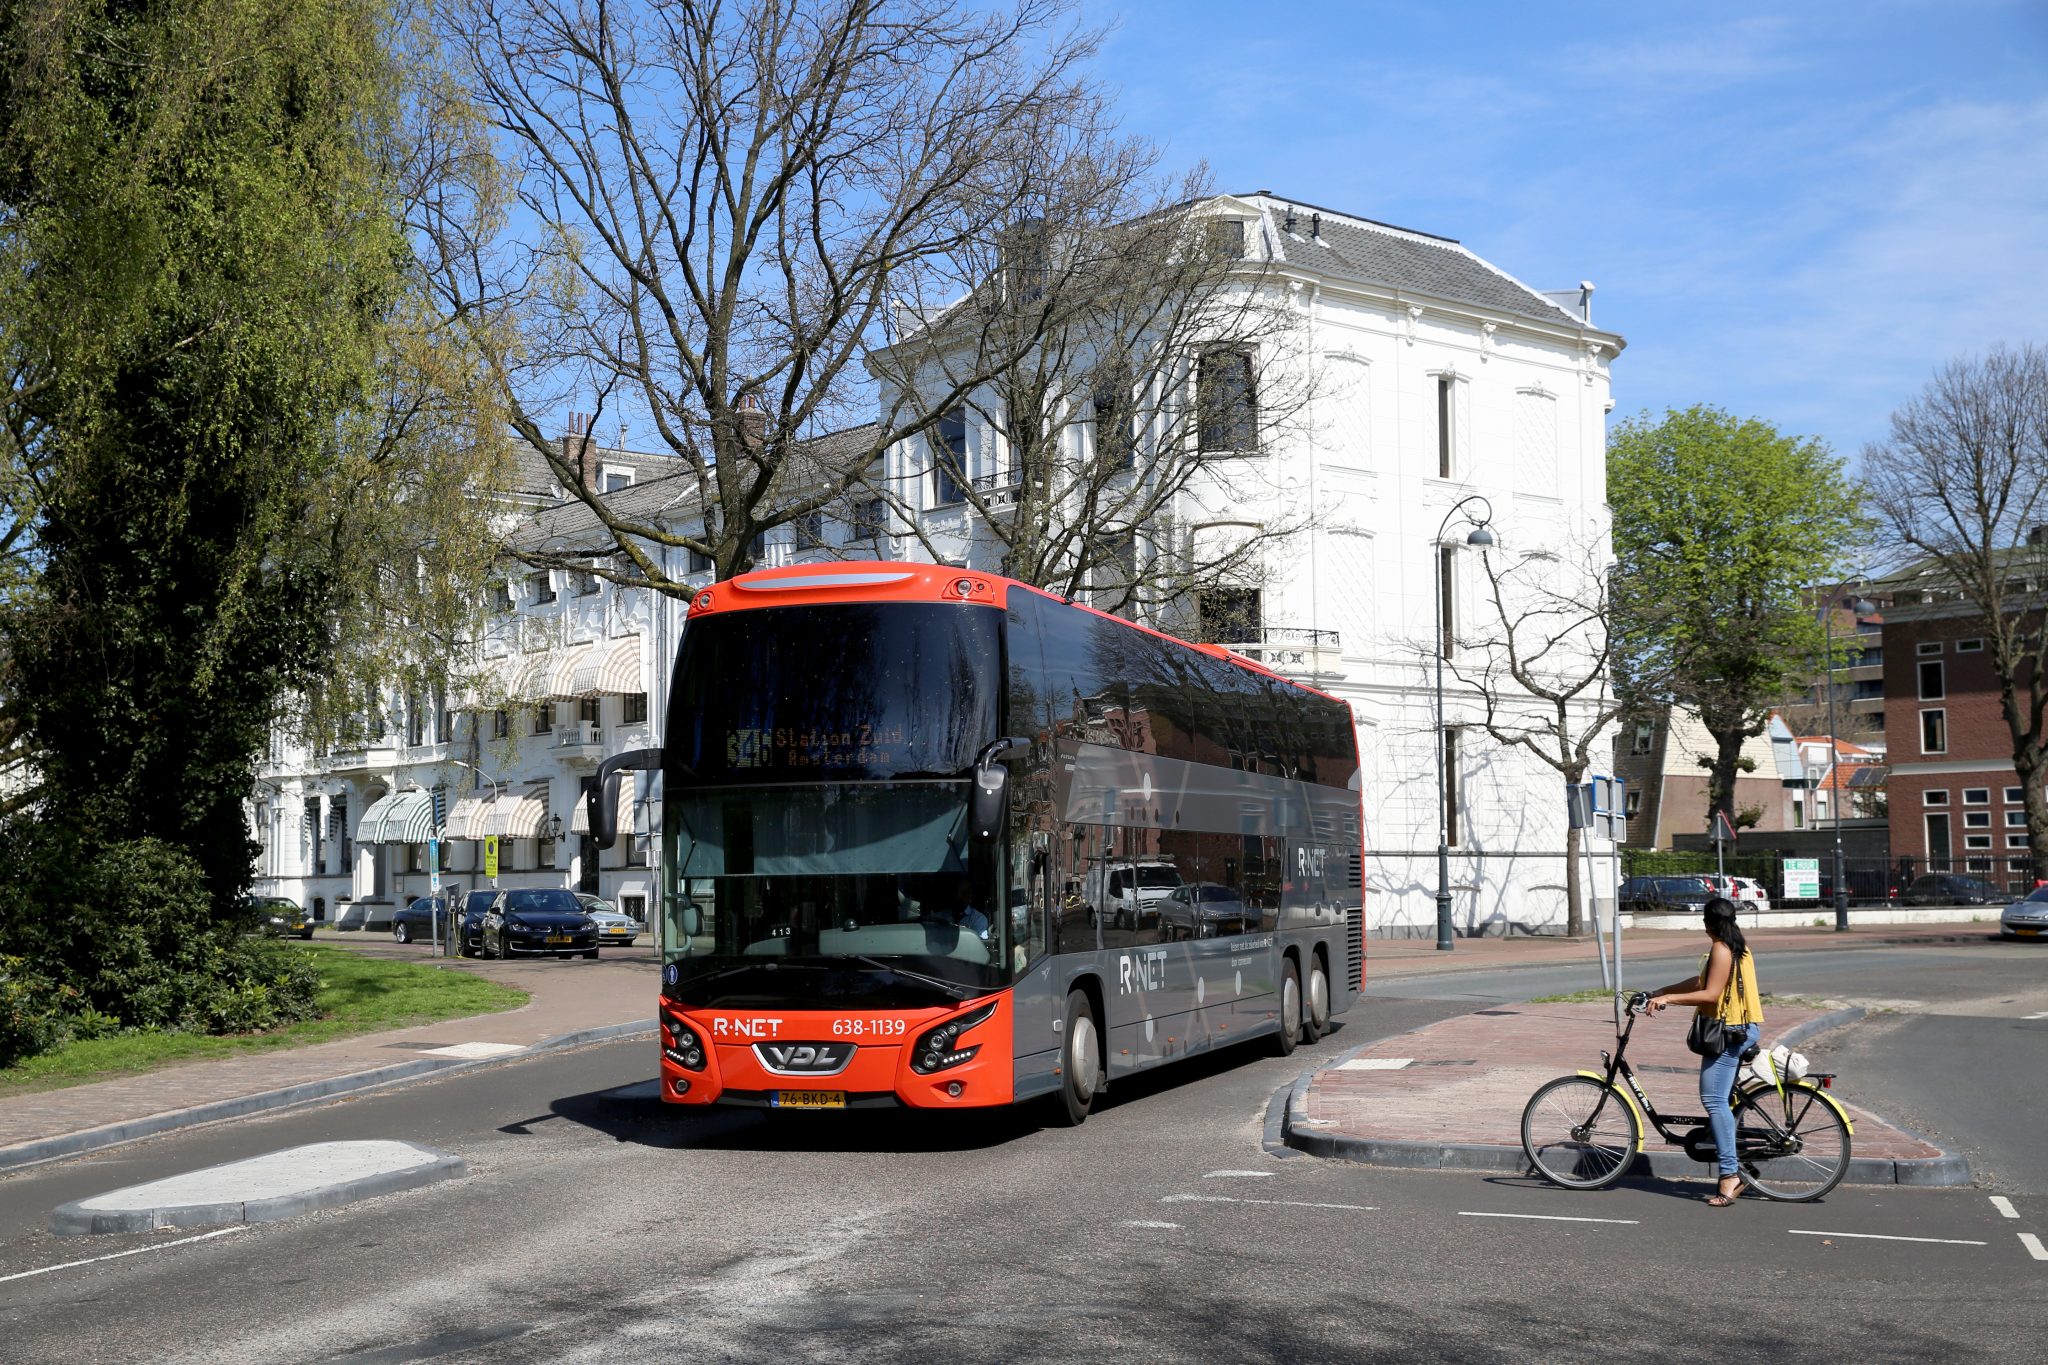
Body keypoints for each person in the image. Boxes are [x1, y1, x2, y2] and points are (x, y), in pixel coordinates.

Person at [1647, 896, 1765, 1206]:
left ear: (1707, 923)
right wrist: (1661, 991)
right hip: (1736, 1028)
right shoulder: (1734, 945)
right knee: (1720, 1099)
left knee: (1713, 1099)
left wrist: (1668, 1001)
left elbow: (1711, 994)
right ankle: (1725, 1144)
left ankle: (1730, 1174)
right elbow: (1703, 980)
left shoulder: (1721, 948)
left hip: (1729, 1033)